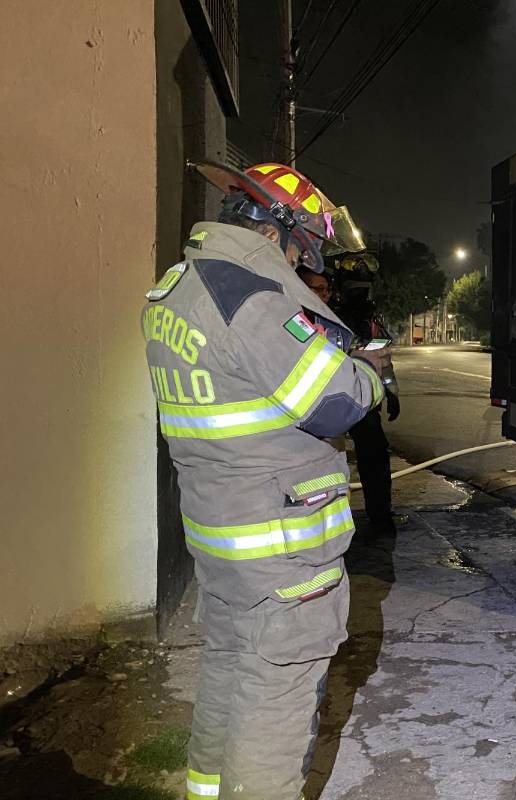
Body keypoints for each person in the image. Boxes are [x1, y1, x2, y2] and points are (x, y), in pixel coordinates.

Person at [143, 160, 388, 800]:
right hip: (281, 546)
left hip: (223, 535)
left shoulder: (179, 289)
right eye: (307, 245)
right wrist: (370, 371)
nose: (310, 261)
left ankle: (204, 789)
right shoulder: (251, 299)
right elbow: (334, 402)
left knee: (229, 669)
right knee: (273, 697)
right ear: (281, 231)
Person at [298, 265, 402, 536]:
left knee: (375, 452)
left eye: (325, 289)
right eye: (315, 288)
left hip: (358, 395)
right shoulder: (300, 315)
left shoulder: (365, 320)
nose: (322, 294)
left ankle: (380, 515)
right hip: (317, 399)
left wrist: (391, 392)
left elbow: (383, 359)